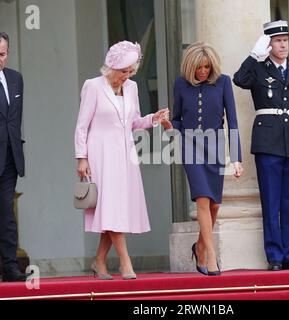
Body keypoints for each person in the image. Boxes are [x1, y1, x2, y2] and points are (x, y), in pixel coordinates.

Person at [75, 41, 170, 280]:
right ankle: (125, 263)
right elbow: (82, 126)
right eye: (123, 71)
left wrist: (153, 119)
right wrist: (81, 158)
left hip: (125, 155)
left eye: (130, 72)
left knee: (114, 209)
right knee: (111, 207)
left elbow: (134, 122)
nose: (126, 76)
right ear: (112, 67)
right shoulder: (93, 86)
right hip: (101, 154)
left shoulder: (132, 88)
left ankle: (99, 261)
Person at [233, 21, 289, 271]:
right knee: (271, 202)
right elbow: (239, 79)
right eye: (278, 40)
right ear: (268, 44)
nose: (283, 44)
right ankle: (275, 256)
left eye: (285, 40)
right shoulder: (257, 69)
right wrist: (253, 56)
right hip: (268, 143)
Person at [172, 42, 243, 276]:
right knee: (202, 200)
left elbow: (232, 122)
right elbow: (177, 119)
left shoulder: (223, 82)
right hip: (189, 145)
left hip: (215, 145)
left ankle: (199, 246)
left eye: (206, 67)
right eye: (198, 68)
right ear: (190, 67)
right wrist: (169, 127)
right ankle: (211, 255)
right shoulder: (180, 84)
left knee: (214, 204)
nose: (202, 71)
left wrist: (237, 158)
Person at [0, 31, 29, 282]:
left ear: (7, 53)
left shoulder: (15, 79)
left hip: (9, 157)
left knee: (6, 214)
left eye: (2, 54)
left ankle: (10, 269)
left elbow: (13, 119)